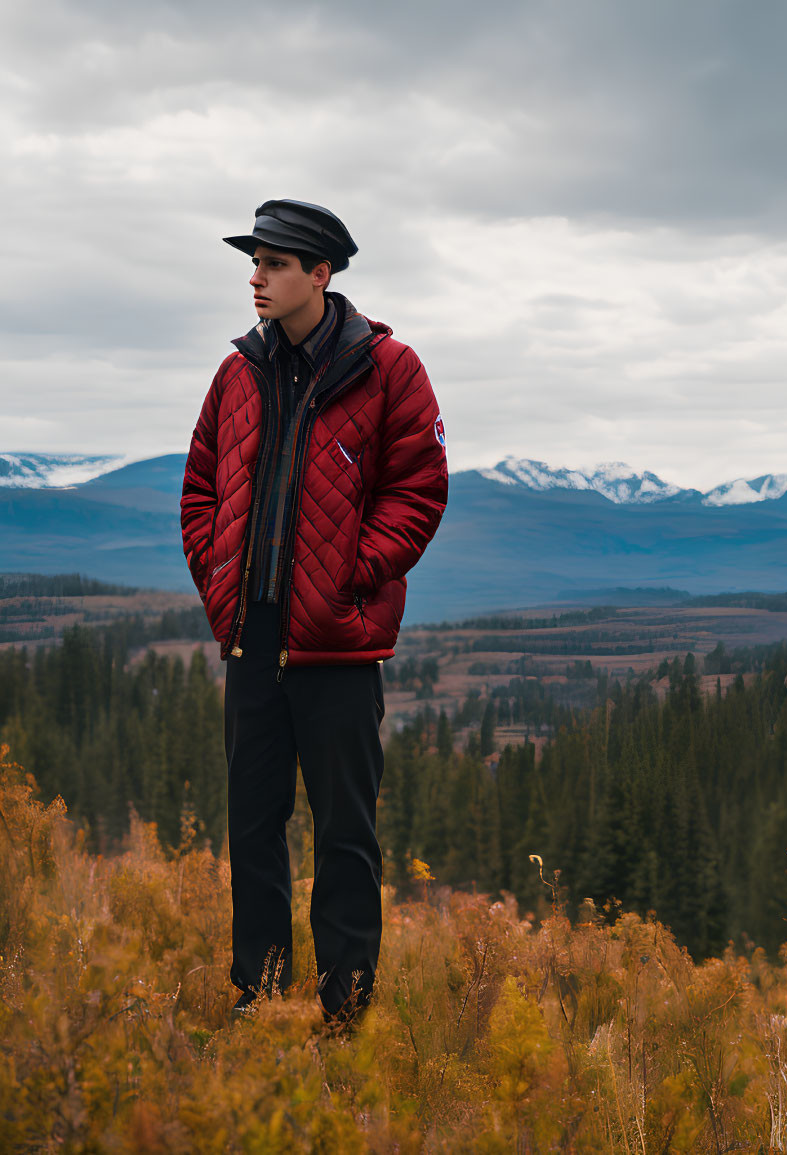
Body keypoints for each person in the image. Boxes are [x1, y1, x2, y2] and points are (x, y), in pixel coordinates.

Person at [180, 199, 448, 1024]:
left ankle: (346, 1014)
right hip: (252, 642)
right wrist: (217, 572)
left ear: (321, 274)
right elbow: (199, 489)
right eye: (254, 262)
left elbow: (419, 491)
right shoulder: (237, 373)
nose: (256, 278)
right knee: (253, 830)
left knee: (345, 838)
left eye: (274, 263)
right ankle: (257, 1000)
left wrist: (350, 581)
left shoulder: (389, 368)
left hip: (337, 644)